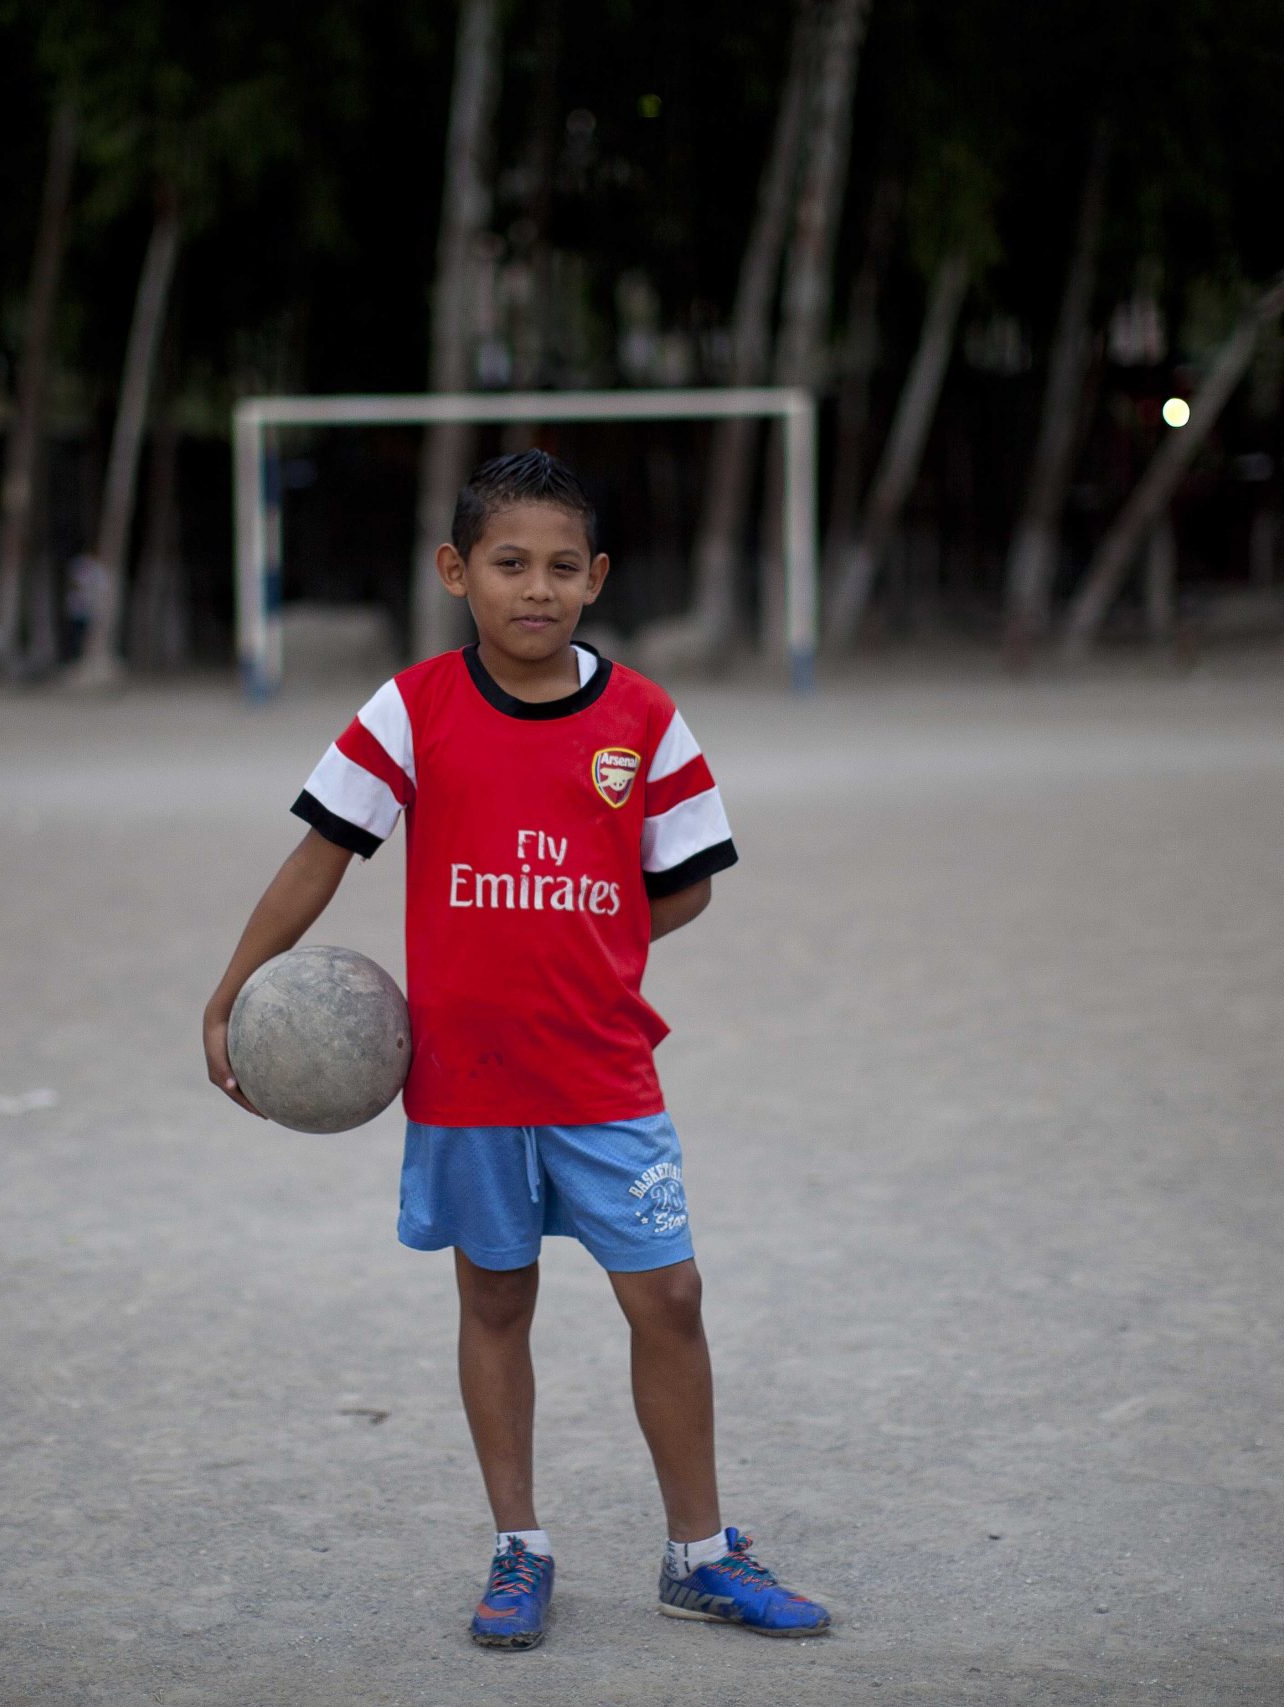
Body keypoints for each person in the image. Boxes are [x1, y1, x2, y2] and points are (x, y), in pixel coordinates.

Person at [200, 450, 830, 1651]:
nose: (533, 589)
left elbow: (685, 886)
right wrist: (233, 989)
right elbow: (319, 853)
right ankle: (517, 1549)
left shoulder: (642, 718)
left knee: (672, 1298)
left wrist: (587, 930)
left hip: (601, 1071)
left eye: (558, 567)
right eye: (506, 564)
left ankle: (699, 1554)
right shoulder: (412, 708)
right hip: (466, 1084)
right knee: (495, 1300)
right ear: (457, 572)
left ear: (594, 579)